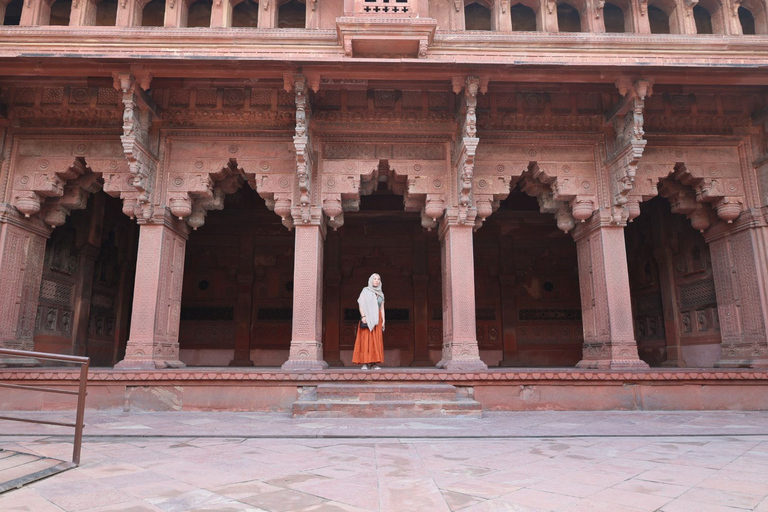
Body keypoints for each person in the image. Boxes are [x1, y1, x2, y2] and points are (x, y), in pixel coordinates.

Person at [352, 273, 385, 370]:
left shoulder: (381, 293)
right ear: (371, 280)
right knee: (366, 340)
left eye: (378, 279)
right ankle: (365, 363)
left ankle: (374, 364)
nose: (376, 281)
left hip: (377, 319)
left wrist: (383, 321)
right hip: (367, 318)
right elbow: (361, 304)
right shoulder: (365, 291)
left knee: (376, 341)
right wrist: (363, 316)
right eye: (374, 279)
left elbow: (382, 308)